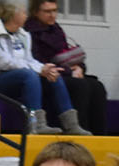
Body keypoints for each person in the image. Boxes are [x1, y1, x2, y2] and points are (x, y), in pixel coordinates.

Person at [0, 1, 83, 136]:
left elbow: (29, 60)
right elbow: (2, 63)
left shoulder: (23, 35)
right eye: (23, 12)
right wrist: (39, 70)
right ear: (13, 15)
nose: (26, 16)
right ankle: (36, 124)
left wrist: (44, 68)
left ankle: (72, 125)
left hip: (16, 78)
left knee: (54, 74)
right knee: (29, 75)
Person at [26, 0, 107, 136]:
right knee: (79, 86)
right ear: (36, 12)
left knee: (97, 86)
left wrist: (79, 68)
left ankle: (99, 134)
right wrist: (70, 71)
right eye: (47, 11)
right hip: (45, 76)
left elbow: (67, 54)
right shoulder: (30, 32)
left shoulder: (56, 29)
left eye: (55, 10)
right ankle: (78, 128)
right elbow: (38, 61)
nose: (52, 15)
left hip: (64, 72)